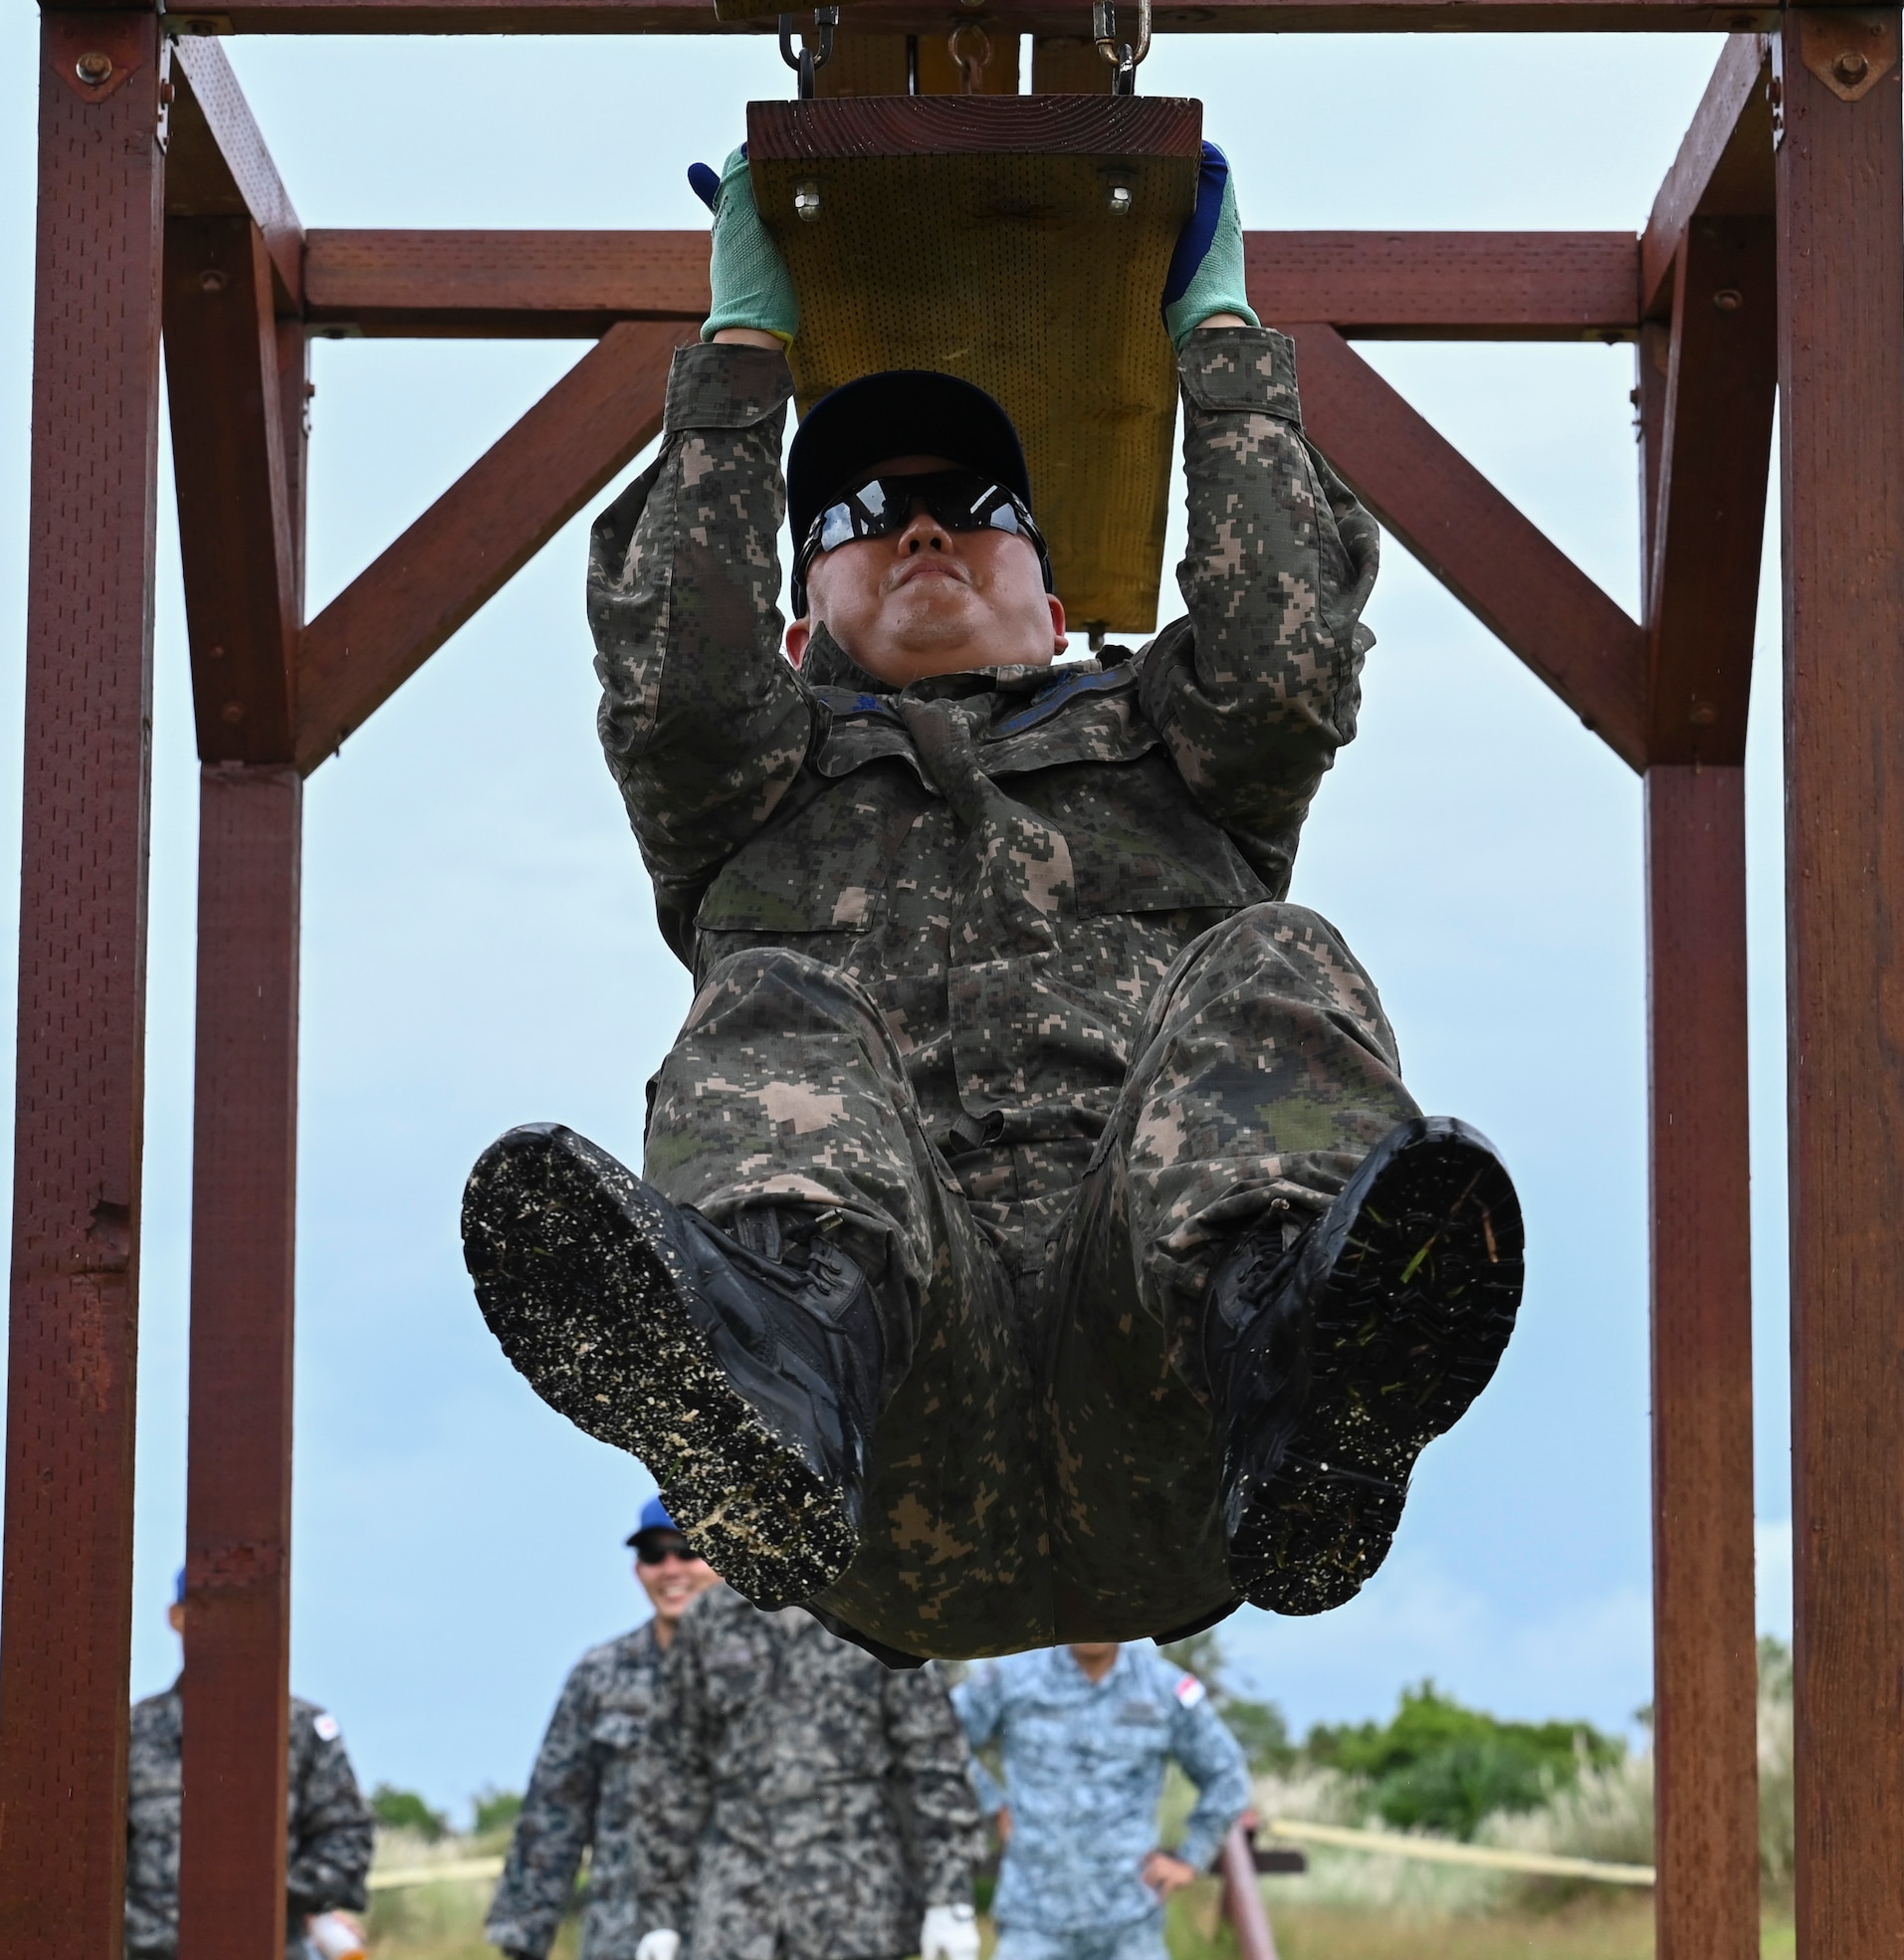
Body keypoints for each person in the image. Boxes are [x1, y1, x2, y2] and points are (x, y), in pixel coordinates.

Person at [461, 139, 1526, 1663]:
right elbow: (674, 684)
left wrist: (1219, 349)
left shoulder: (1173, 747)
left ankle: (1300, 1372)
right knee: (773, 1001)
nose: (913, 527)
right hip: (892, 1453)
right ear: (796, 622)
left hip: (1174, 1417)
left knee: (1271, 958)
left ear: (1053, 581)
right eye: (852, 517)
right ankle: (769, 1372)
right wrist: (739, 359)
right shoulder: (753, 787)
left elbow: (1286, 648)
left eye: (967, 503)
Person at [629, 1579, 984, 1960]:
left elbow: (932, 1760)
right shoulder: (708, 1619)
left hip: (856, 1907)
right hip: (737, 1911)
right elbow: (673, 1772)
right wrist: (660, 1913)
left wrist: (950, 1898)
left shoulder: (877, 1608)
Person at [485, 1496, 723, 1960]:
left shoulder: (769, 1667)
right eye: (653, 1555)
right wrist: (522, 1939)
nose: (671, 1569)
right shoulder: (601, 1675)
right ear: (638, 1570)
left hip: (741, 1929)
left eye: (688, 1551)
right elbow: (554, 1814)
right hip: (624, 1933)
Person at [126, 1571, 374, 1960]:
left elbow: (346, 1836)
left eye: (241, 1612)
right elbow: (91, 1855)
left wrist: (273, 1898)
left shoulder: (303, 1730)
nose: (227, 1626)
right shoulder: (134, 1731)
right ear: (177, 1617)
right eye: (209, 1610)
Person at [952, 1639, 1249, 1960]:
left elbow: (1227, 1775)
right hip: (1033, 1916)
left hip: (1130, 1921)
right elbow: (941, 1736)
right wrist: (992, 1805)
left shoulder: (1163, 1687)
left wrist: (1192, 1858)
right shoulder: (1014, 1677)